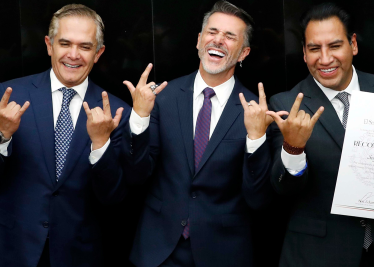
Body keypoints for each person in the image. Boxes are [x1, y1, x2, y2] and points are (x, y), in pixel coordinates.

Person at [267, 3, 374, 267]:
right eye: (314, 48)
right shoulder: (286, 104)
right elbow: (282, 188)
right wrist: (294, 148)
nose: (325, 59)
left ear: (354, 45)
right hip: (319, 254)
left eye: (335, 46)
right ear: (303, 53)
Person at [0, 4, 130, 267]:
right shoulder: (11, 95)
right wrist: (2, 135)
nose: (73, 55)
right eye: (64, 43)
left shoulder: (116, 112)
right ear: (48, 45)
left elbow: (113, 197)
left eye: (85, 47)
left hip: (78, 254)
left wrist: (100, 144)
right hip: (10, 249)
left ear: (98, 53)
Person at [120, 1, 280, 266]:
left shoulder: (256, 111)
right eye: (212, 32)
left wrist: (255, 138)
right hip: (159, 251)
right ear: (198, 40)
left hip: (224, 252)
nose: (218, 40)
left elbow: (258, 198)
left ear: (243, 53)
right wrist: (139, 118)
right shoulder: (162, 98)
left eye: (230, 37)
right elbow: (136, 176)